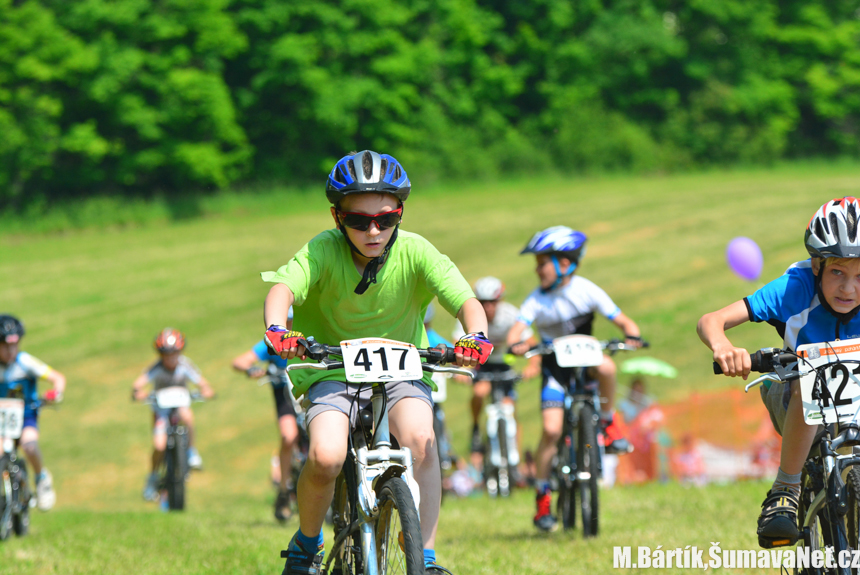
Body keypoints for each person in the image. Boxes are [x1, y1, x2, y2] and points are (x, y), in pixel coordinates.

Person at [261, 150, 492, 575]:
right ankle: (307, 544)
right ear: (337, 217)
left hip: (404, 369)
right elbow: (283, 288)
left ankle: (426, 558)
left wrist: (475, 336)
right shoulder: (322, 250)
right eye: (358, 220)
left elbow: (464, 299)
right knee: (326, 456)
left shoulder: (416, 250)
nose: (373, 231)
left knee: (421, 440)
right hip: (332, 369)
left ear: (399, 214)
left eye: (385, 220)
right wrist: (277, 328)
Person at [697, 196, 860, 548]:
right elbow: (711, 321)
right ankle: (786, 488)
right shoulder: (794, 288)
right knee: (810, 381)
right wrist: (723, 347)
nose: (849, 288)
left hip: (853, 394)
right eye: (837, 272)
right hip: (792, 391)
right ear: (816, 265)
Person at [507, 226, 643, 532]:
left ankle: (607, 422)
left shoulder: (586, 290)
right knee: (551, 430)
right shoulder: (536, 300)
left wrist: (632, 335)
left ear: (565, 264)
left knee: (608, 367)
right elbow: (517, 332)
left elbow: (623, 321)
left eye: (542, 263)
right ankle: (543, 497)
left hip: (587, 362)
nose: (537, 270)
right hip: (555, 369)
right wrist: (519, 343)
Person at [452, 277, 539, 466]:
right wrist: (459, 370)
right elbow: (456, 344)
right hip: (481, 364)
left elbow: (531, 343)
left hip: (503, 364)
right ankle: (476, 427)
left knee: (511, 409)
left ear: (500, 300)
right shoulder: (470, 314)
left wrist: (533, 365)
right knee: (479, 392)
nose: (488, 307)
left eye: (492, 302)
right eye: (483, 302)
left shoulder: (510, 314)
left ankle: (516, 462)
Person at [232, 307, 301, 522]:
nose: (289, 325)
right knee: (288, 436)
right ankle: (283, 491)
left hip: (307, 391)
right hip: (285, 394)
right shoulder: (271, 343)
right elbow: (240, 361)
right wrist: (251, 369)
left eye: (292, 320)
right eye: (286, 320)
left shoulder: (307, 336)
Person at [132, 328, 215, 502]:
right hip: (161, 410)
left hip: (180, 405)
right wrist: (139, 393)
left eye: (174, 353)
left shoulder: (185, 365)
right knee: (159, 445)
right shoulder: (156, 367)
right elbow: (138, 385)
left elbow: (203, 383)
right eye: (166, 354)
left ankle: (191, 452)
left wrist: (206, 391)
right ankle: (153, 477)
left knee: (187, 416)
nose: (170, 358)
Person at [0, 314, 65, 511]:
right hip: (2, 421)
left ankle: (41, 478)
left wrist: (56, 393)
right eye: (5, 346)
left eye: (14, 345)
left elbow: (57, 378)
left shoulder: (25, 362)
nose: (10, 351)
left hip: (26, 416)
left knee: (29, 445)